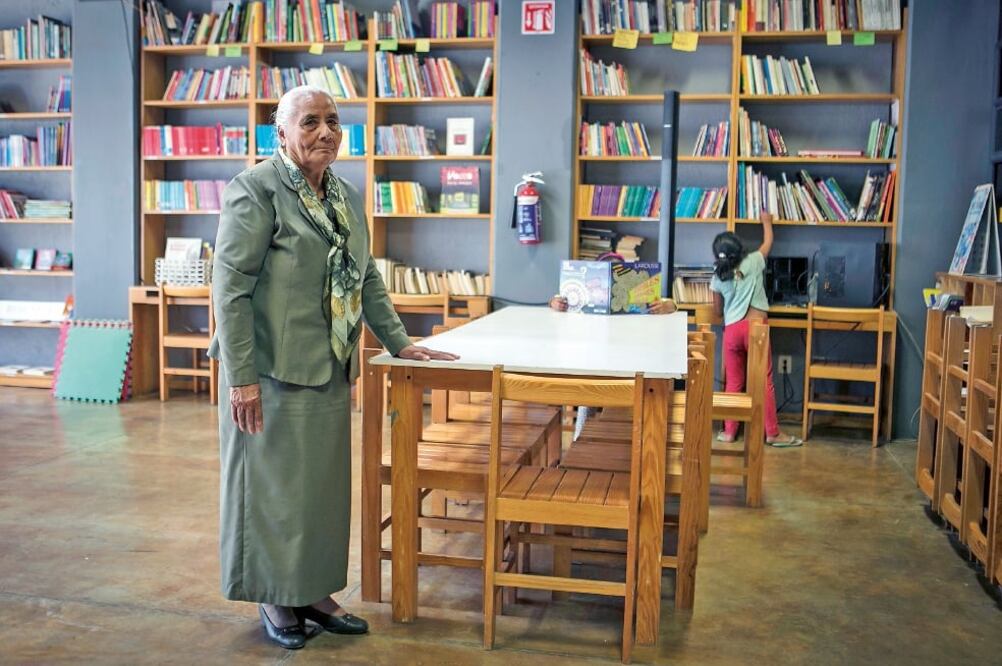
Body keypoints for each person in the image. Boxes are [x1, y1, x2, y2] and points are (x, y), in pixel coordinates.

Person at [209, 85, 458, 650]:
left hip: (328, 366)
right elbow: (230, 291)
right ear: (282, 133)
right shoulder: (255, 191)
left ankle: (314, 592)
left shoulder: (344, 194)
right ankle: (276, 594)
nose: (325, 132)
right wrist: (240, 378)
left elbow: (365, 274)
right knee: (272, 490)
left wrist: (400, 341)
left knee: (318, 493)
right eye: (310, 122)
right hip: (268, 372)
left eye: (333, 122)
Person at [549, 272, 678, 439]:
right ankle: (579, 441)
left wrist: (669, 306)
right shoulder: (585, 296)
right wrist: (553, 302)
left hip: (628, 362)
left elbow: (671, 304)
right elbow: (556, 299)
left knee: (593, 392)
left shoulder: (634, 296)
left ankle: (585, 440)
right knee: (589, 389)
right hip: (596, 361)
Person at [710, 213, 802, 447]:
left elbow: (718, 311)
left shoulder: (717, 277)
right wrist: (767, 223)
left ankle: (729, 432)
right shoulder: (753, 261)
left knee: (733, 382)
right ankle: (772, 433)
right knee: (764, 381)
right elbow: (768, 243)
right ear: (739, 249)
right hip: (756, 329)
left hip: (732, 331)